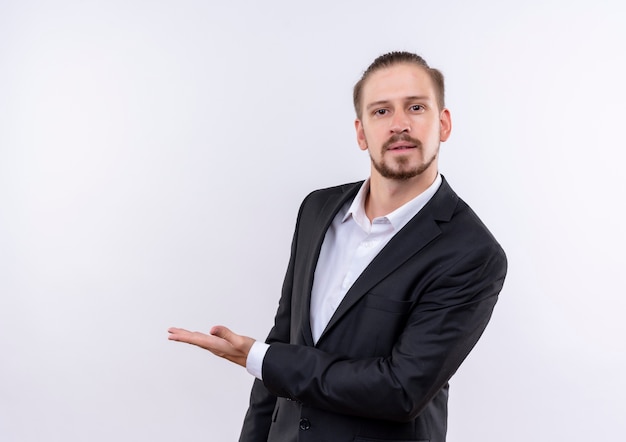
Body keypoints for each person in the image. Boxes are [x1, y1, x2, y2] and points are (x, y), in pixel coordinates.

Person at [168, 51, 507, 442]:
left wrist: (260, 357)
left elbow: (400, 390)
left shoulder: (472, 253)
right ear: (361, 132)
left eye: (416, 107)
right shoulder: (317, 209)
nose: (399, 125)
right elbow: (284, 340)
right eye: (381, 112)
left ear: (443, 124)